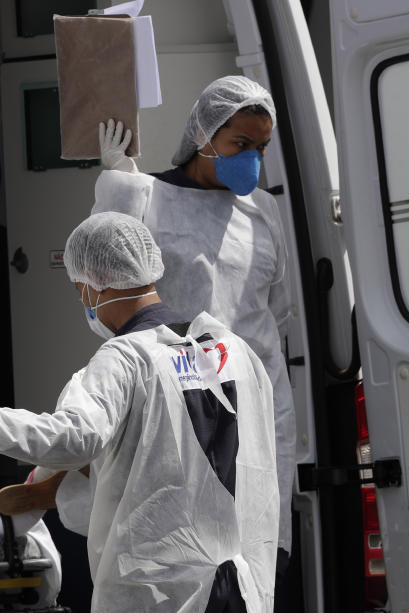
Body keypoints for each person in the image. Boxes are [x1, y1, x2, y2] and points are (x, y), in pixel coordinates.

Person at [0, 212, 279, 613]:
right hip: (241, 583)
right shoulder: (235, 352)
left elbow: (75, 438)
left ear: (95, 281)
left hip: (159, 594)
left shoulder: (125, 359)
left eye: (78, 288)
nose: (82, 299)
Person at [93, 76, 296, 574]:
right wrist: (117, 186)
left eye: (261, 147)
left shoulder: (264, 212)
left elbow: (278, 308)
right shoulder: (146, 198)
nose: (253, 159)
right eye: (241, 145)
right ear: (204, 136)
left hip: (258, 406)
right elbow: (105, 306)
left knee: (255, 562)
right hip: (180, 409)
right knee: (182, 564)